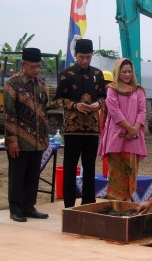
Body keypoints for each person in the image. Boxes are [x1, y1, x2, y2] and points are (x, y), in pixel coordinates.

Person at [54, 39, 106, 207]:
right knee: (70, 166)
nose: (85, 61)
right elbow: (57, 100)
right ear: (75, 55)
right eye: (82, 57)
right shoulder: (66, 74)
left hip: (92, 128)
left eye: (88, 57)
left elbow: (103, 97)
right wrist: (75, 105)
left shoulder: (98, 75)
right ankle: (69, 204)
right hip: (72, 128)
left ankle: (88, 202)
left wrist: (98, 104)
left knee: (90, 166)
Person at [4, 48, 49, 222]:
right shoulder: (13, 84)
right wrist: (12, 140)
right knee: (17, 176)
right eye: (33, 67)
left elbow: (44, 112)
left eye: (38, 66)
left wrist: (45, 136)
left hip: (37, 140)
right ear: (23, 65)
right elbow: (9, 113)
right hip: (19, 140)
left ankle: (29, 206)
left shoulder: (41, 84)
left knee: (32, 175)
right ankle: (15, 209)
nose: (36, 70)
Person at [98, 58, 147, 200]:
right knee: (116, 173)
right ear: (118, 73)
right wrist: (130, 129)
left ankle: (127, 202)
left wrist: (135, 129)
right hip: (116, 137)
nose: (127, 74)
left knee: (131, 171)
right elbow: (114, 112)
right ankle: (116, 203)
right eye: (124, 71)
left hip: (134, 138)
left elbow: (142, 111)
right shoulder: (112, 90)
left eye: (129, 72)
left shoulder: (139, 91)